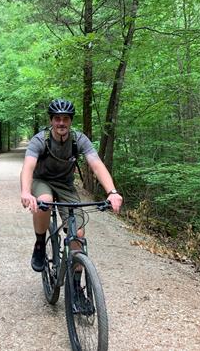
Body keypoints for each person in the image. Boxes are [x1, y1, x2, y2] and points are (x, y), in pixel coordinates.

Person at [20, 98, 123, 272]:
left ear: (70, 121)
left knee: (78, 234)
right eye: (57, 118)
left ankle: (76, 286)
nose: (61, 122)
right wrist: (25, 192)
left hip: (65, 185)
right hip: (41, 181)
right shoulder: (40, 140)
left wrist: (112, 192)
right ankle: (39, 244)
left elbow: (97, 165)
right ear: (51, 120)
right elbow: (28, 166)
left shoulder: (79, 139)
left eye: (65, 118)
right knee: (44, 201)